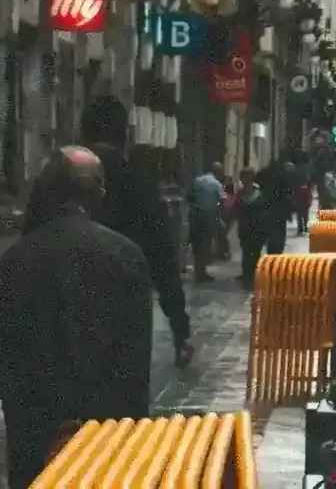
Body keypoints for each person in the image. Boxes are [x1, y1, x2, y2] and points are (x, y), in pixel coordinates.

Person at [1, 148, 152, 488]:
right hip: (106, 431)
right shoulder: (124, 254)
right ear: (98, 191)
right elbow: (135, 360)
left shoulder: (15, 259)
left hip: (33, 429)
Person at [76, 95, 193, 367]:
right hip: (123, 310)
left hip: (61, 313)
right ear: (125, 135)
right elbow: (163, 258)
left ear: (82, 133)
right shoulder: (139, 183)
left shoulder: (55, 181)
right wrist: (180, 327)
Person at [189, 162, 226, 282]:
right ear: (218, 172)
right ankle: (202, 272)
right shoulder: (216, 184)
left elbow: (189, 196)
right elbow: (222, 200)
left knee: (197, 243)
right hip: (208, 216)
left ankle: (197, 270)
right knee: (205, 244)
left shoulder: (197, 180)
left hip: (195, 215)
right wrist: (219, 217)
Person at [234, 168, 266, 288]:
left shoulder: (259, 192)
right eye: (243, 178)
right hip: (244, 227)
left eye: (247, 177)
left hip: (257, 227)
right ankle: (246, 273)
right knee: (246, 250)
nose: (245, 180)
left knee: (256, 251)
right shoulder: (240, 193)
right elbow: (236, 209)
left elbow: (264, 209)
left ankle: (255, 273)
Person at [256, 158, 292, 254]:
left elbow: (256, 188)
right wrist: (288, 212)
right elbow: (288, 194)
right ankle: (276, 250)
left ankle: (269, 248)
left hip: (264, 207)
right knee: (278, 232)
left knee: (265, 230)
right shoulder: (283, 175)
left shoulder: (261, 173)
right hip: (278, 209)